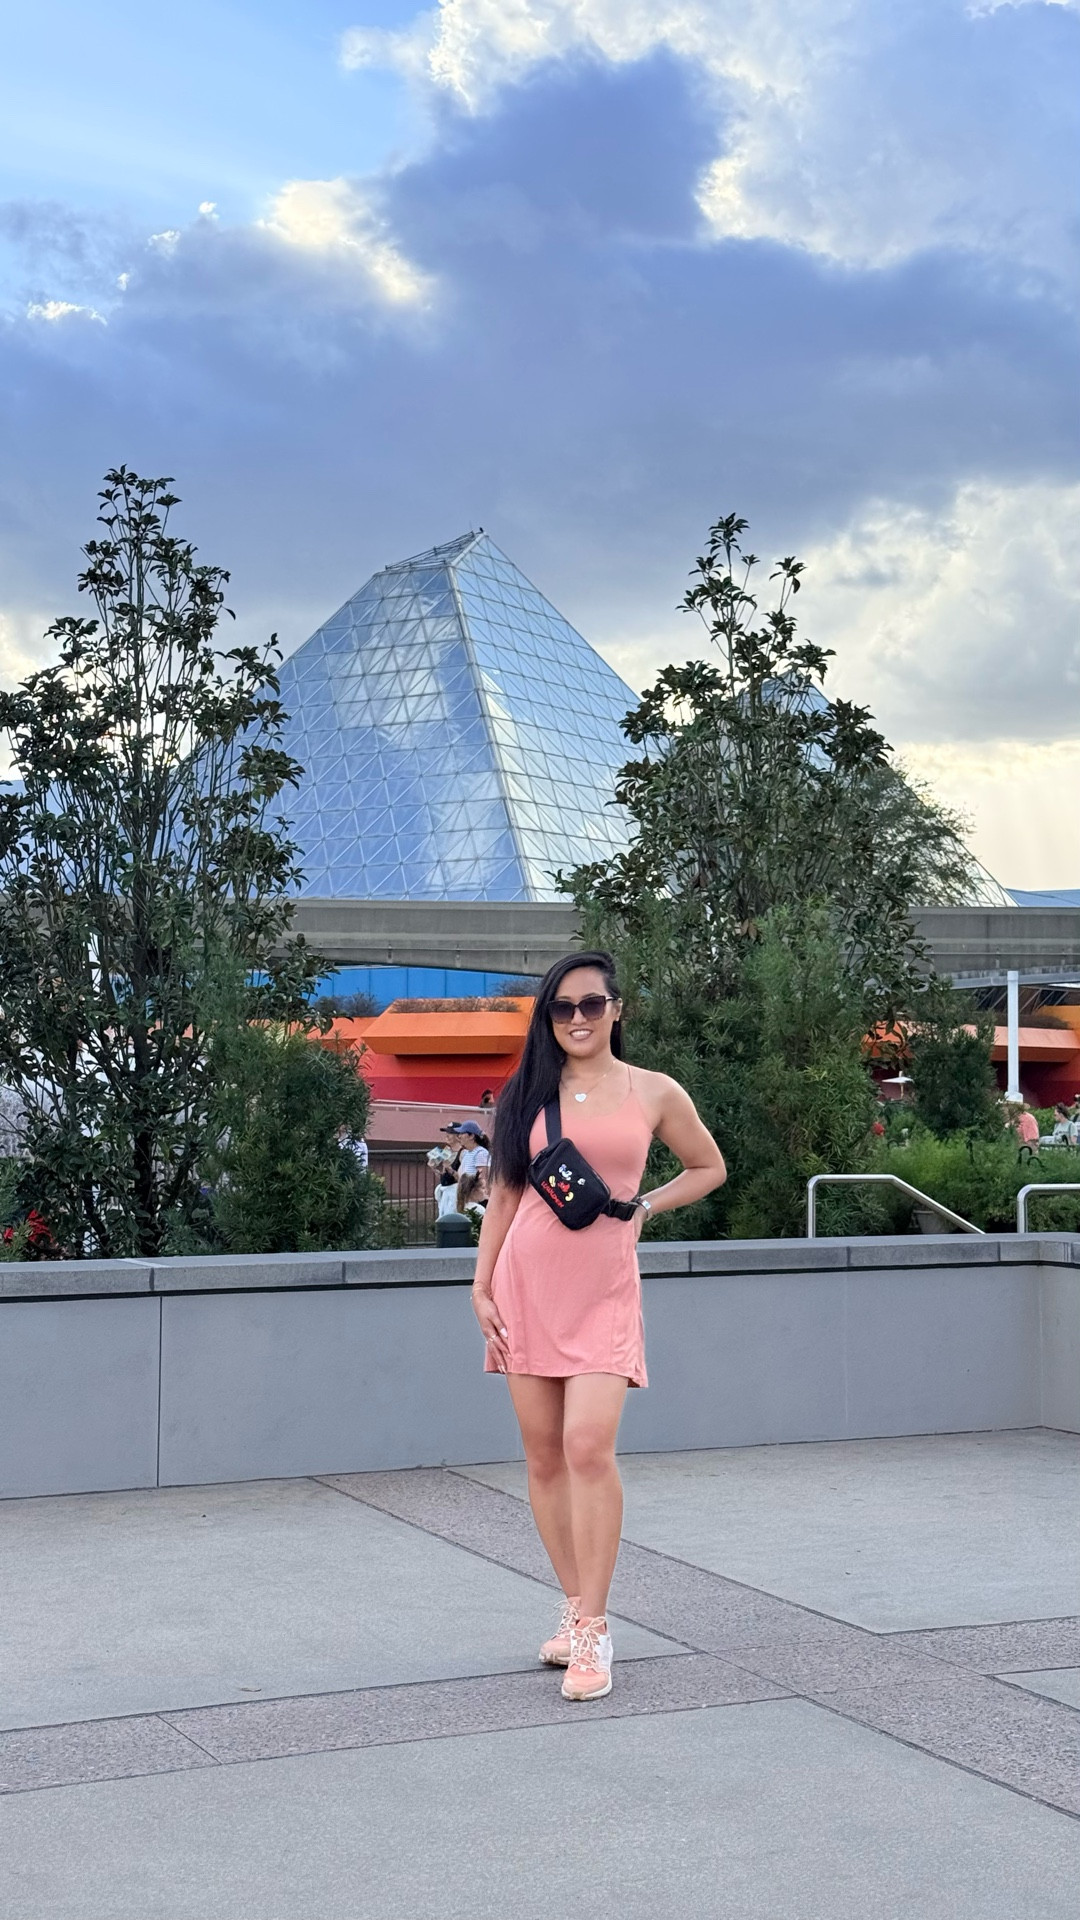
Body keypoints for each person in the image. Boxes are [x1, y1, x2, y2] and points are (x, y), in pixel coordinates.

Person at [471, 951, 726, 1704]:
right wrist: (480, 1286)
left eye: (591, 1004)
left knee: (588, 1445)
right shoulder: (528, 1095)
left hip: (605, 1290)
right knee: (544, 1457)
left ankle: (594, 1627)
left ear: (618, 1008)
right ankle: (575, 1603)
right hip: (525, 1286)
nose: (576, 1018)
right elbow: (507, 1199)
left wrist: (645, 1207)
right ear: (548, 1018)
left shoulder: (653, 1091)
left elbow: (707, 1167)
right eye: (561, 1008)